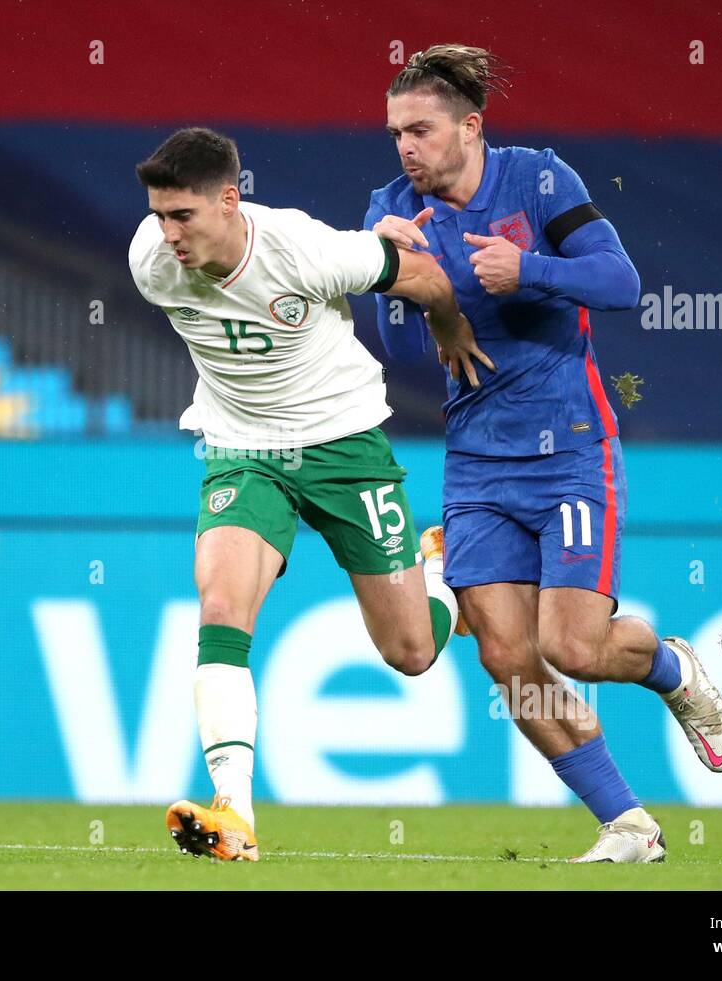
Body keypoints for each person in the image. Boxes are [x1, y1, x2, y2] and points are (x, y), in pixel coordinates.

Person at [366, 45, 722, 863]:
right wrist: (382, 264)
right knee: (505, 653)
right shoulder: (391, 208)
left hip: (571, 448)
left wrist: (529, 268)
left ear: (471, 126)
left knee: (573, 646)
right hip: (475, 461)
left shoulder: (538, 180)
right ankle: (627, 824)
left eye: (421, 130)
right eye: (396, 133)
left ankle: (670, 667)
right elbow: (374, 330)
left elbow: (621, 280)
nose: (405, 148)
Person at [128, 126, 493, 861]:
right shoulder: (151, 261)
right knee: (221, 603)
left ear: (231, 200)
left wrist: (450, 330)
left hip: (344, 443)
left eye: (183, 216)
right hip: (243, 450)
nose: (167, 233)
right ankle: (235, 810)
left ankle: (440, 574)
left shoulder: (305, 250)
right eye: (160, 215)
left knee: (413, 652)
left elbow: (419, 273)